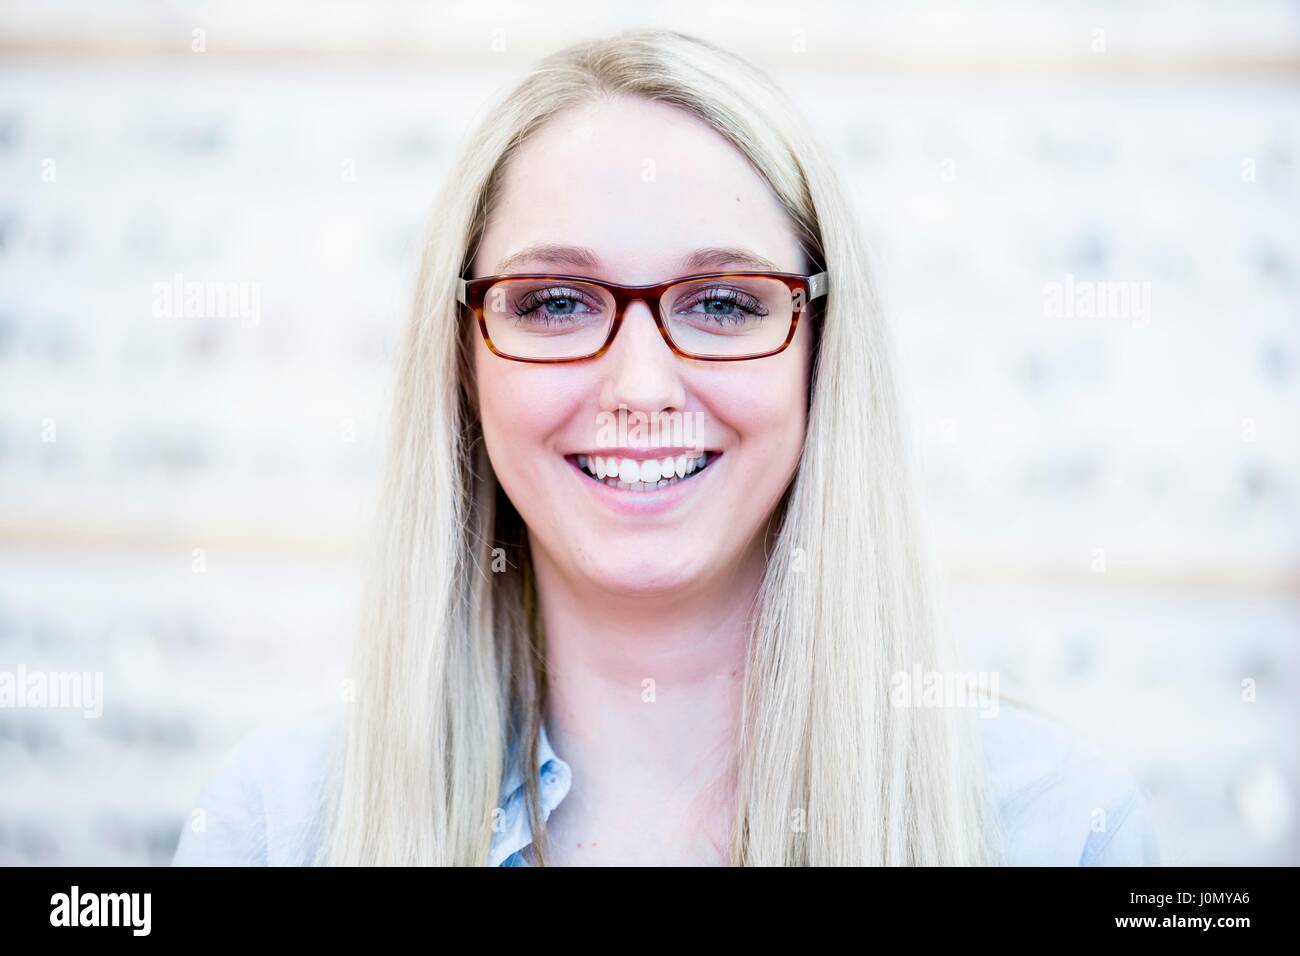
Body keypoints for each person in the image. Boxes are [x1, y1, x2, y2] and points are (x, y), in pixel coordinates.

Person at [173, 27, 1160, 867]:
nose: (641, 387)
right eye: (553, 302)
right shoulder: (279, 831)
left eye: (723, 302)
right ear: (463, 361)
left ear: (821, 354)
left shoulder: (1055, 829)